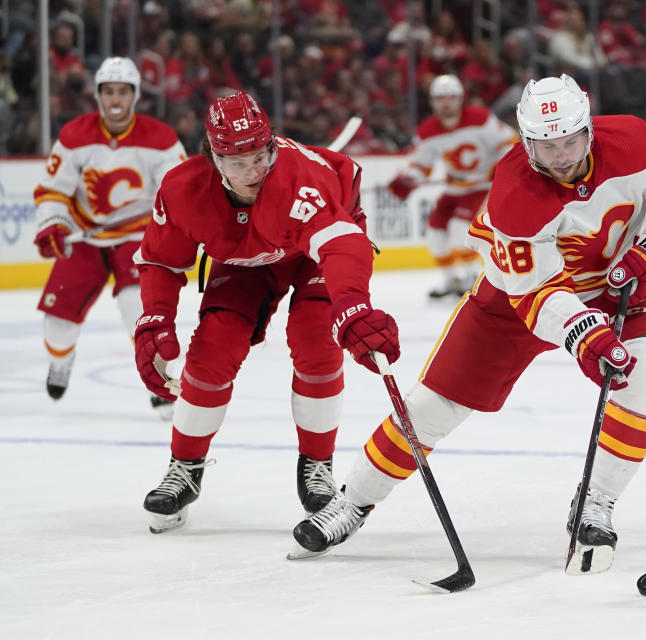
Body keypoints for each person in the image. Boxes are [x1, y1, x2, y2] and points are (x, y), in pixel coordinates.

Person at [291, 74, 646, 574]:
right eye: (545, 145)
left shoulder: (635, 141)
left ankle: (595, 504)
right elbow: (536, 293)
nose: (559, 157)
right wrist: (585, 334)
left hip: (614, 282)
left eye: (569, 142)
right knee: (434, 407)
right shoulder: (514, 194)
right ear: (526, 139)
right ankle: (353, 501)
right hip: (517, 297)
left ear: (588, 130)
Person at [134, 92, 400, 534]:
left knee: (317, 340)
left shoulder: (300, 182)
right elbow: (160, 261)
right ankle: (184, 465)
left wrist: (353, 306)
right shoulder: (183, 189)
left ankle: (317, 464)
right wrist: (154, 319)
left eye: (261, 156)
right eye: (238, 163)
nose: (253, 171)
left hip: (312, 254)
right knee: (214, 348)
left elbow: (342, 245)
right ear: (214, 159)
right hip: (245, 262)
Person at [33, 56, 186, 417]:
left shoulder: (161, 139)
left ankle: (160, 381)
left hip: (137, 238)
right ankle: (61, 362)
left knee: (139, 309)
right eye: (108, 92)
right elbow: (52, 190)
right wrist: (53, 223)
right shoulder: (74, 135)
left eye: (122, 92)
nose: (115, 100)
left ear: (134, 95)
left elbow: (178, 191)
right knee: (57, 324)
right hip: (85, 236)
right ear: (98, 95)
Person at [386, 74, 518, 299]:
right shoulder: (427, 130)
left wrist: (498, 168)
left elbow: (509, 142)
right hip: (454, 189)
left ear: (460, 98)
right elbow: (421, 165)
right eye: (440, 98)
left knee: (459, 229)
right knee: (435, 232)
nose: (446, 103)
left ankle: (470, 277)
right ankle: (449, 280)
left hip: (482, 187)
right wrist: (409, 178)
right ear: (433, 102)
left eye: (450, 97)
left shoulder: (480, 118)